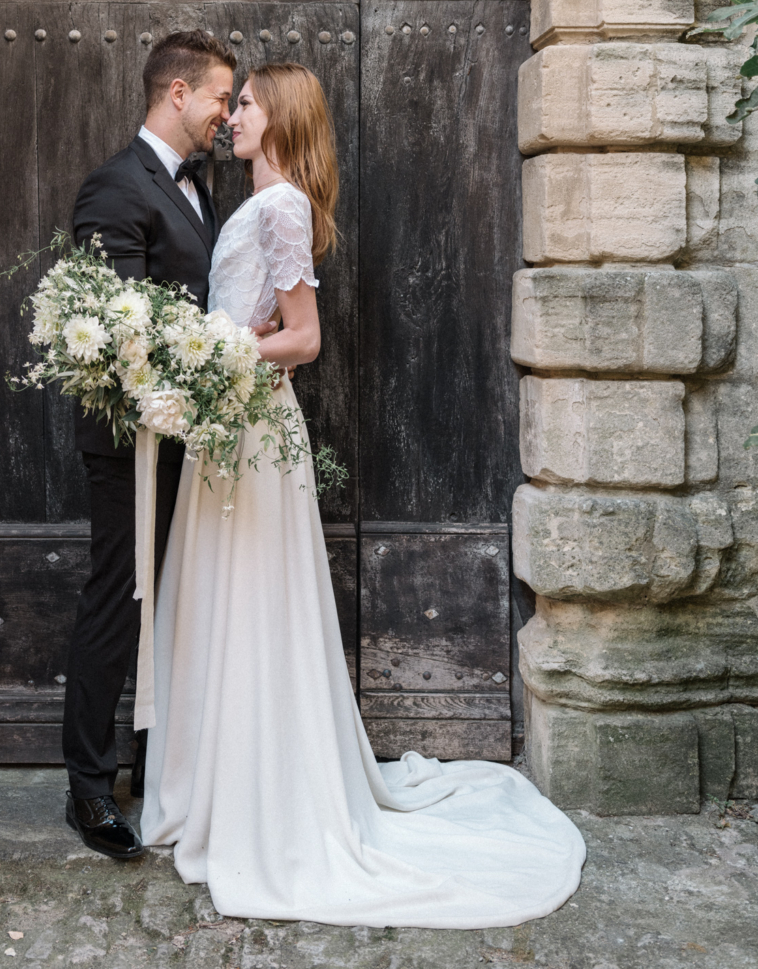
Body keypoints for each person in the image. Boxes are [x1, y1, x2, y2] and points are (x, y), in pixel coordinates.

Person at [140, 63, 586, 929]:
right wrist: (223, 344)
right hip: (229, 429)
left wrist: (212, 352)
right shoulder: (262, 202)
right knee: (226, 603)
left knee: (253, 607)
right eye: (231, 104)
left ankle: (262, 802)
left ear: (278, 118)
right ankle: (227, 785)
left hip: (251, 428)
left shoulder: (279, 206)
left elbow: (301, 340)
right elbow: (266, 317)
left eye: (247, 104)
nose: (232, 115)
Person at [61, 29, 238, 861]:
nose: (225, 116)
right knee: (117, 600)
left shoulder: (201, 189)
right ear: (176, 92)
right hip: (130, 439)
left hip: (187, 434)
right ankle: (89, 790)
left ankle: (157, 760)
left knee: (174, 598)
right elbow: (117, 334)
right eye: (217, 99)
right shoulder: (113, 187)